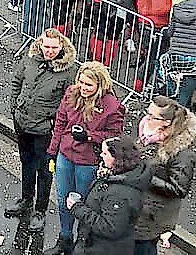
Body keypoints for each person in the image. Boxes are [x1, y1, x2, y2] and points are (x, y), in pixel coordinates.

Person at [44, 62, 126, 255]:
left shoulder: (112, 106)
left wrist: (89, 136)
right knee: (64, 200)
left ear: (101, 85)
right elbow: (60, 123)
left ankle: (81, 244)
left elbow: (114, 136)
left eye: (88, 85)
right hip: (65, 156)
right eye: (81, 82)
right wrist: (52, 149)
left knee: (84, 206)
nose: (83, 87)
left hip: (88, 163)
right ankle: (65, 238)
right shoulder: (72, 93)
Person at [6, 28, 77, 231]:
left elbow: (69, 103)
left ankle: (40, 211)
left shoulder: (68, 71)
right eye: (46, 46)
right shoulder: (30, 59)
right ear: (40, 44)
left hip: (46, 130)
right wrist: (15, 107)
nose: (49, 51)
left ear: (61, 46)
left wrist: (54, 124)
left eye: (54, 47)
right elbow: (16, 82)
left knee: (45, 171)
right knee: (26, 164)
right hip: (23, 123)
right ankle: (26, 200)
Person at [133, 96, 196, 255]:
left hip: (152, 216)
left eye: (152, 116)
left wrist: (144, 176)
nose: (146, 118)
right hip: (136, 207)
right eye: (147, 113)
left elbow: (179, 188)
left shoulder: (183, 152)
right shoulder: (148, 134)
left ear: (166, 123)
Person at [66, 136, 151, 255]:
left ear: (117, 158)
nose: (101, 155)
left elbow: (110, 227)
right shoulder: (120, 177)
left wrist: (78, 208)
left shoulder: (120, 194)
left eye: (105, 153)